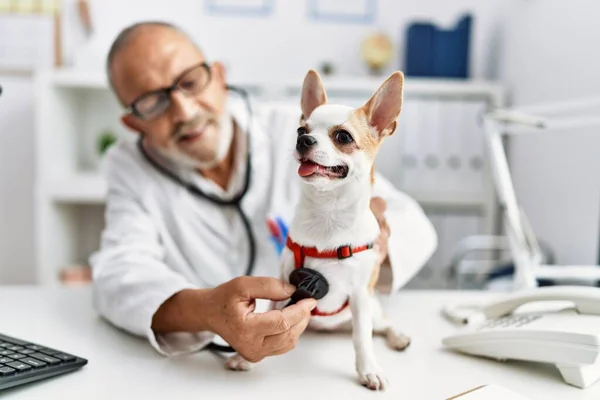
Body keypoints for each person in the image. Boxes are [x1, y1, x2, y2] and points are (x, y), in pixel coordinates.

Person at [90, 21, 437, 363]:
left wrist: (373, 241)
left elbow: (413, 225)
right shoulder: (129, 167)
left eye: (190, 82)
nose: (184, 110)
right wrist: (204, 311)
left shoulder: (292, 126)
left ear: (219, 77)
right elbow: (118, 273)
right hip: (214, 363)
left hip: (329, 349)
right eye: (153, 103)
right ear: (133, 123)